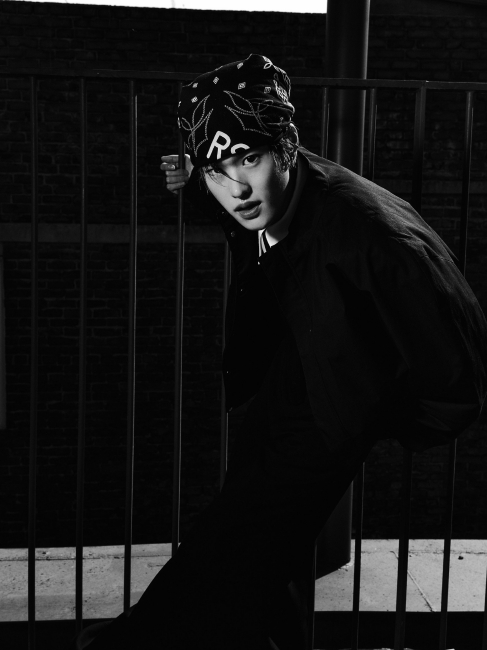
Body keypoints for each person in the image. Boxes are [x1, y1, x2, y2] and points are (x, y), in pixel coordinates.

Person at [73, 53, 487, 650]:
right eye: (217, 169)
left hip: (334, 405)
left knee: (237, 541)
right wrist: (196, 177)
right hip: (292, 375)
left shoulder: (376, 241)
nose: (237, 188)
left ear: (287, 147)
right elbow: (232, 192)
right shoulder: (258, 191)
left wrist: (369, 410)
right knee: (258, 543)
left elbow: (458, 376)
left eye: (250, 159)